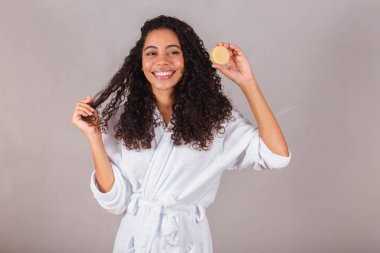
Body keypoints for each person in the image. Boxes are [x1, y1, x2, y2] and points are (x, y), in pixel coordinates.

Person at [70, 15, 291, 253]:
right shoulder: (121, 120)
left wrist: (247, 82)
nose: (162, 61)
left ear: (188, 59)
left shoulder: (216, 119)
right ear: (140, 62)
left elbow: (277, 155)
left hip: (188, 241)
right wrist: (94, 137)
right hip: (136, 241)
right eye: (152, 53)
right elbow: (115, 202)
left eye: (173, 52)